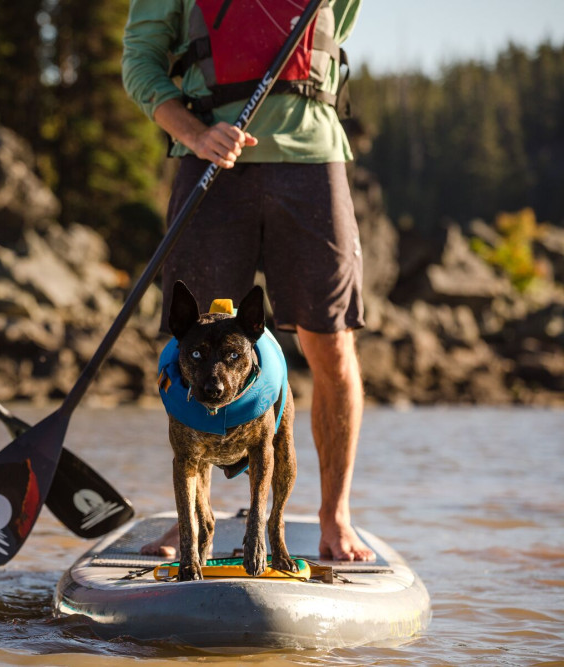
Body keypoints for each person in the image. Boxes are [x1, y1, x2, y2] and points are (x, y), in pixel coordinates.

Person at [122, 0, 375, 561]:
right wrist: (194, 132)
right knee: (195, 341)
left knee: (331, 342)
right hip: (213, 159)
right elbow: (139, 63)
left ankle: (335, 516)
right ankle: (196, 520)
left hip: (312, 160)